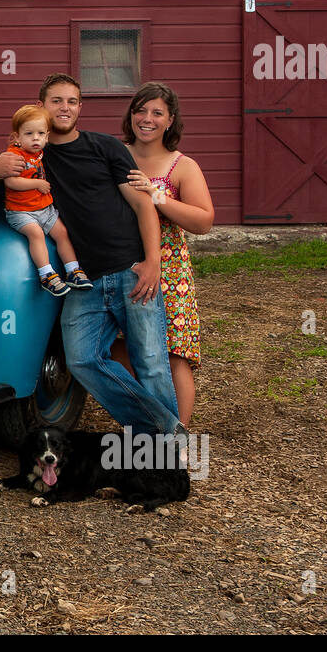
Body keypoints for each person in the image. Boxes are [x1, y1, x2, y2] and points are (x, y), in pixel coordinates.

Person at [0, 74, 184, 441]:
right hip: (82, 278)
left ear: (80, 107)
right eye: (56, 101)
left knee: (150, 362)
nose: (64, 108)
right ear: (42, 105)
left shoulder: (106, 148)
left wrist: (153, 262)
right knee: (83, 361)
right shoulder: (28, 155)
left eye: (72, 101)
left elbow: (142, 203)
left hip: (130, 268)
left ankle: (164, 453)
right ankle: (164, 428)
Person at [114, 82, 214, 428]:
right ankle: (145, 425)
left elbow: (204, 221)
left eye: (157, 112)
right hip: (118, 265)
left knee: (173, 354)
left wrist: (159, 197)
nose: (147, 119)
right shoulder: (116, 154)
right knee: (119, 350)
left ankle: (179, 437)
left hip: (169, 272)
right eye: (140, 110)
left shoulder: (181, 166)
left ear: (170, 120)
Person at [2, 104, 93, 297]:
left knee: (62, 232)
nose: (36, 138)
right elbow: (11, 181)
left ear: (47, 136)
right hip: (21, 211)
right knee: (36, 234)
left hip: (44, 209)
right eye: (29, 134)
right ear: (17, 137)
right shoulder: (15, 155)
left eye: (41, 133)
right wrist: (37, 184)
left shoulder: (40, 153)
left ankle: (73, 270)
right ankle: (47, 274)